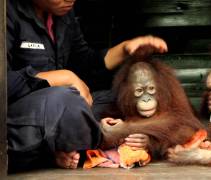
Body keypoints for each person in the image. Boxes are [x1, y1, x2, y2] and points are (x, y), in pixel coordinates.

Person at [6, 0, 168, 172]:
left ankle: (74, 144)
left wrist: (124, 49)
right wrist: (62, 77)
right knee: (64, 99)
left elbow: (85, 62)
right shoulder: (7, 11)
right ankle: (103, 137)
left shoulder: (62, 14)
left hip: (65, 111)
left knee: (124, 98)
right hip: (23, 115)